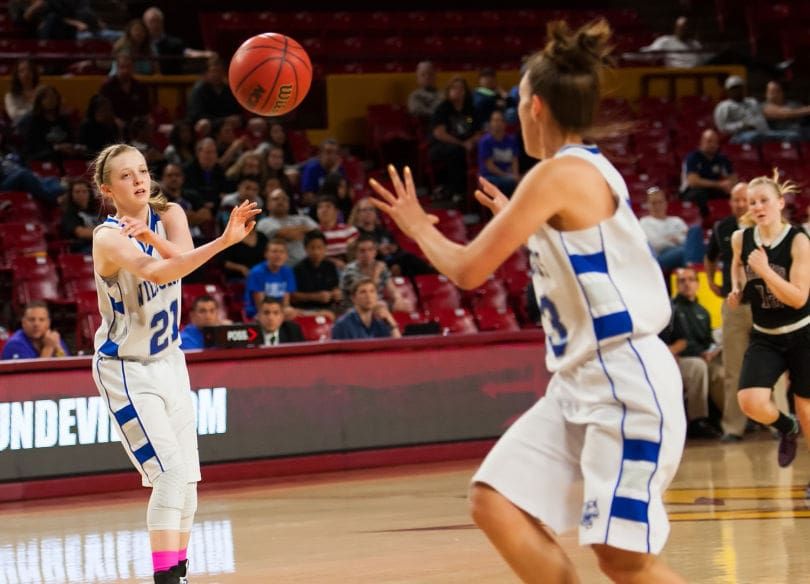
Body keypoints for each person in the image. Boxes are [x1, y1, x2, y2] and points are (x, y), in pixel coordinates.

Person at [370, 19, 686, 583]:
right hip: (578, 383)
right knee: (495, 501)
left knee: (622, 559)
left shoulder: (557, 172)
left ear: (535, 107)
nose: (515, 113)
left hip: (624, 379)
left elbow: (468, 271)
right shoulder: (576, 172)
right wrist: (529, 229)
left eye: (517, 102)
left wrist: (419, 227)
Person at [89, 143, 259, 584]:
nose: (139, 180)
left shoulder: (171, 215)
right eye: (125, 176)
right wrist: (223, 241)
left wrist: (153, 237)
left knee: (188, 482)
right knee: (169, 475)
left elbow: (180, 261)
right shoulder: (107, 237)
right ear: (107, 189)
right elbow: (160, 272)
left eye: (142, 171)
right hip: (126, 368)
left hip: (170, 362)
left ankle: (177, 575)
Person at [729, 172, 810, 481]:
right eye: (752, 202)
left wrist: (763, 271)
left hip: (803, 332)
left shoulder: (799, 240)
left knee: (807, 409)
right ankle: (785, 426)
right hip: (766, 336)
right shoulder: (741, 238)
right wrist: (736, 288)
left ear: (779, 203)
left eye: (764, 200)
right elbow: (736, 263)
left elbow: (799, 298)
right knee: (750, 401)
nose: (758, 207)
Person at [705, 182, 752, 441]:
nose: (740, 204)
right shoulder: (722, 227)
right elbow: (710, 257)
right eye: (735, 200)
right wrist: (712, 281)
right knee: (734, 369)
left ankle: (779, 423)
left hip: (764, 306)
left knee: (775, 365)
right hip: (733, 306)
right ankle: (733, 428)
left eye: (744, 199)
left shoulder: (761, 225)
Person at [662, 268, 723, 439]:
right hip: (680, 360)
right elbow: (666, 343)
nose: (687, 284)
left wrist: (713, 351)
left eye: (690, 280)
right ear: (677, 285)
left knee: (723, 371)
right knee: (698, 367)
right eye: (682, 281)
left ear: (697, 284)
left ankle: (729, 418)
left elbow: (709, 341)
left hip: (703, 357)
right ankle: (698, 420)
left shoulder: (702, 311)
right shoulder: (670, 310)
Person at [429, 76, 483, 200]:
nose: (457, 91)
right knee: (456, 152)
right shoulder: (443, 108)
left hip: (466, 143)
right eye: (454, 88)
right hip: (443, 144)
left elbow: (479, 132)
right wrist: (461, 143)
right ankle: (456, 191)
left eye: (460, 88)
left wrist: (470, 141)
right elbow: (439, 133)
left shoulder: (471, 108)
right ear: (448, 91)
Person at [714, 76, 797, 144]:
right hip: (740, 135)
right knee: (755, 136)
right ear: (728, 91)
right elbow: (722, 128)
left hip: (764, 132)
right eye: (734, 88)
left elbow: (766, 112)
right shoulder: (723, 106)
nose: (737, 90)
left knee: (793, 135)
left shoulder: (752, 101)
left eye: (740, 87)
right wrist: (743, 124)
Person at [340, 234, 410, 312]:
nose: (367, 254)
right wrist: (376, 273)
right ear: (356, 253)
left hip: (377, 304)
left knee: (405, 306)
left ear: (375, 252)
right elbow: (366, 293)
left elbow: (391, 287)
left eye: (370, 250)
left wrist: (398, 299)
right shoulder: (350, 270)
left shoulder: (380, 266)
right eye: (362, 251)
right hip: (354, 307)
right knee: (380, 308)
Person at [639, 187, 705, 271]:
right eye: (653, 203)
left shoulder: (676, 220)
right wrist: (677, 239)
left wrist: (672, 239)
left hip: (682, 249)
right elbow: (656, 244)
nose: (658, 206)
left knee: (695, 230)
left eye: (660, 202)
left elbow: (688, 240)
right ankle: (692, 271)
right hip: (661, 256)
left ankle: (690, 267)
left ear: (665, 203)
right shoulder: (645, 222)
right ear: (648, 205)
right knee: (689, 250)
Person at [679, 129, 737, 217]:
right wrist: (719, 184)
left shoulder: (722, 158)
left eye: (715, 142)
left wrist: (729, 185)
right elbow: (693, 182)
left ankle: (731, 218)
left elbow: (732, 177)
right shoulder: (692, 158)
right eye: (709, 141)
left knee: (735, 193)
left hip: (713, 189)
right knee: (700, 194)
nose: (712, 145)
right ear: (701, 142)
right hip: (690, 191)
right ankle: (705, 221)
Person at [142, 6, 213, 75]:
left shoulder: (175, 43)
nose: (155, 25)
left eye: (157, 21)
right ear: (144, 23)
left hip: (172, 81)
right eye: (151, 21)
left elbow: (188, 53)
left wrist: (205, 54)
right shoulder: (140, 43)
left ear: (162, 22)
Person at [256, 187, 317, 267]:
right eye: (275, 199)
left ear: (289, 203)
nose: (280, 201)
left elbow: (316, 232)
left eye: (284, 199)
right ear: (268, 204)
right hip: (280, 267)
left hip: (306, 266)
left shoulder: (302, 218)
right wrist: (303, 230)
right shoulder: (264, 223)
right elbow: (286, 234)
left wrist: (288, 231)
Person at [291, 230, 342, 317]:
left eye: (320, 247)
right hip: (305, 310)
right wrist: (315, 297)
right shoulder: (297, 269)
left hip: (329, 308)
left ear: (325, 248)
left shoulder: (331, 266)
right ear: (306, 249)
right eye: (312, 248)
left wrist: (337, 293)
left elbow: (336, 287)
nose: (316, 252)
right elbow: (293, 297)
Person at [331, 278, 401, 340]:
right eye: (363, 292)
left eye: (372, 291)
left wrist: (391, 322)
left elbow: (397, 346)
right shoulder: (342, 325)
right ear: (353, 298)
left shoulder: (382, 320)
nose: (368, 296)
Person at [244, 238, 297, 319]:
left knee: (291, 312)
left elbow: (286, 303)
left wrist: (284, 311)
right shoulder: (257, 272)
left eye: (282, 252)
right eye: (274, 251)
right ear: (266, 254)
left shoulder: (287, 272)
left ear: (286, 256)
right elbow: (260, 305)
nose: (278, 255)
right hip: (258, 313)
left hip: (279, 312)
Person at [1, 301, 70, 359]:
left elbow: (67, 368)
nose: (36, 324)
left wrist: (58, 347)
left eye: (41, 320)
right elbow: (34, 374)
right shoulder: (15, 344)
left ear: (48, 323)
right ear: (23, 323)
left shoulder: (52, 339)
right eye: (31, 320)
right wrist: (48, 348)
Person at [187, 55, 243, 125]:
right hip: (210, 124)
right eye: (213, 71)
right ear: (206, 73)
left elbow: (237, 111)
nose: (217, 75)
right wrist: (222, 120)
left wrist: (237, 118)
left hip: (228, 124)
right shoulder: (199, 90)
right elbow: (196, 115)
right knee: (203, 124)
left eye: (220, 71)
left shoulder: (228, 89)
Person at [100, 52, 151, 126]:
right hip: (113, 125)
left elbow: (146, 111)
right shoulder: (107, 87)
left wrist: (147, 121)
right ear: (117, 68)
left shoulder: (140, 87)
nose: (125, 71)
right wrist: (114, 120)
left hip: (135, 125)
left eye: (128, 67)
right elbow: (102, 112)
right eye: (122, 67)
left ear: (133, 68)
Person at [478, 110, 520, 196]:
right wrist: (509, 176)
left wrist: (515, 175)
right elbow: (490, 167)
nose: (497, 123)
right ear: (490, 123)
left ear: (504, 123)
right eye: (494, 120)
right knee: (511, 183)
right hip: (490, 176)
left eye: (499, 120)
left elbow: (515, 160)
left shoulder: (511, 140)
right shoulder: (485, 141)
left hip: (509, 175)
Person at [640, 16, 705, 68]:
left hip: (694, 78)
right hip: (674, 78)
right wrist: (631, 54)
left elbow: (701, 63)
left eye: (686, 27)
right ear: (676, 28)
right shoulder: (665, 41)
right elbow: (649, 55)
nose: (684, 30)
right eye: (681, 28)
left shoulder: (696, 44)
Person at [316, 195, 358, 268]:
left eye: (328, 207)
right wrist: (332, 262)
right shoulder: (314, 233)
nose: (323, 210)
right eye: (320, 207)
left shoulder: (349, 230)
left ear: (337, 211)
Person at [60, 178, 100, 253]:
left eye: (84, 191)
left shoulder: (97, 211)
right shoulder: (70, 214)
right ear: (71, 195)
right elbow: (81, 233)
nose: (81, 194)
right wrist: (106, 234)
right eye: (77, 192)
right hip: (83, 248)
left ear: (90, 193)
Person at [300, 139, 344, 204]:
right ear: (320, 154)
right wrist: (332, 175)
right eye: (328, 152)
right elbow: (307, 198)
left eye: (335, 153)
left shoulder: (339, 169)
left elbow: (344, 194)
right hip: (315, 208)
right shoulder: (311, 169)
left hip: (335, 208)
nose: (332, 156)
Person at [4, 58, 41, 126]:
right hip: (20, 129)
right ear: (17, 75)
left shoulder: (43, 91)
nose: (26, 73)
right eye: (21, 71)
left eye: (29, 70)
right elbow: (14, 115)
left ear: (34, 73)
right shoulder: (10, 95)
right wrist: (35, 110)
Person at [407, 60, 441, 125]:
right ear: (418, 78)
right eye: (423, 75)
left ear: (435, 76)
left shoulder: (444, 94)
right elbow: (418, 112)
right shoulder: (415, 96)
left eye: (430, 74)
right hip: (428, 127)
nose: (427, 77)